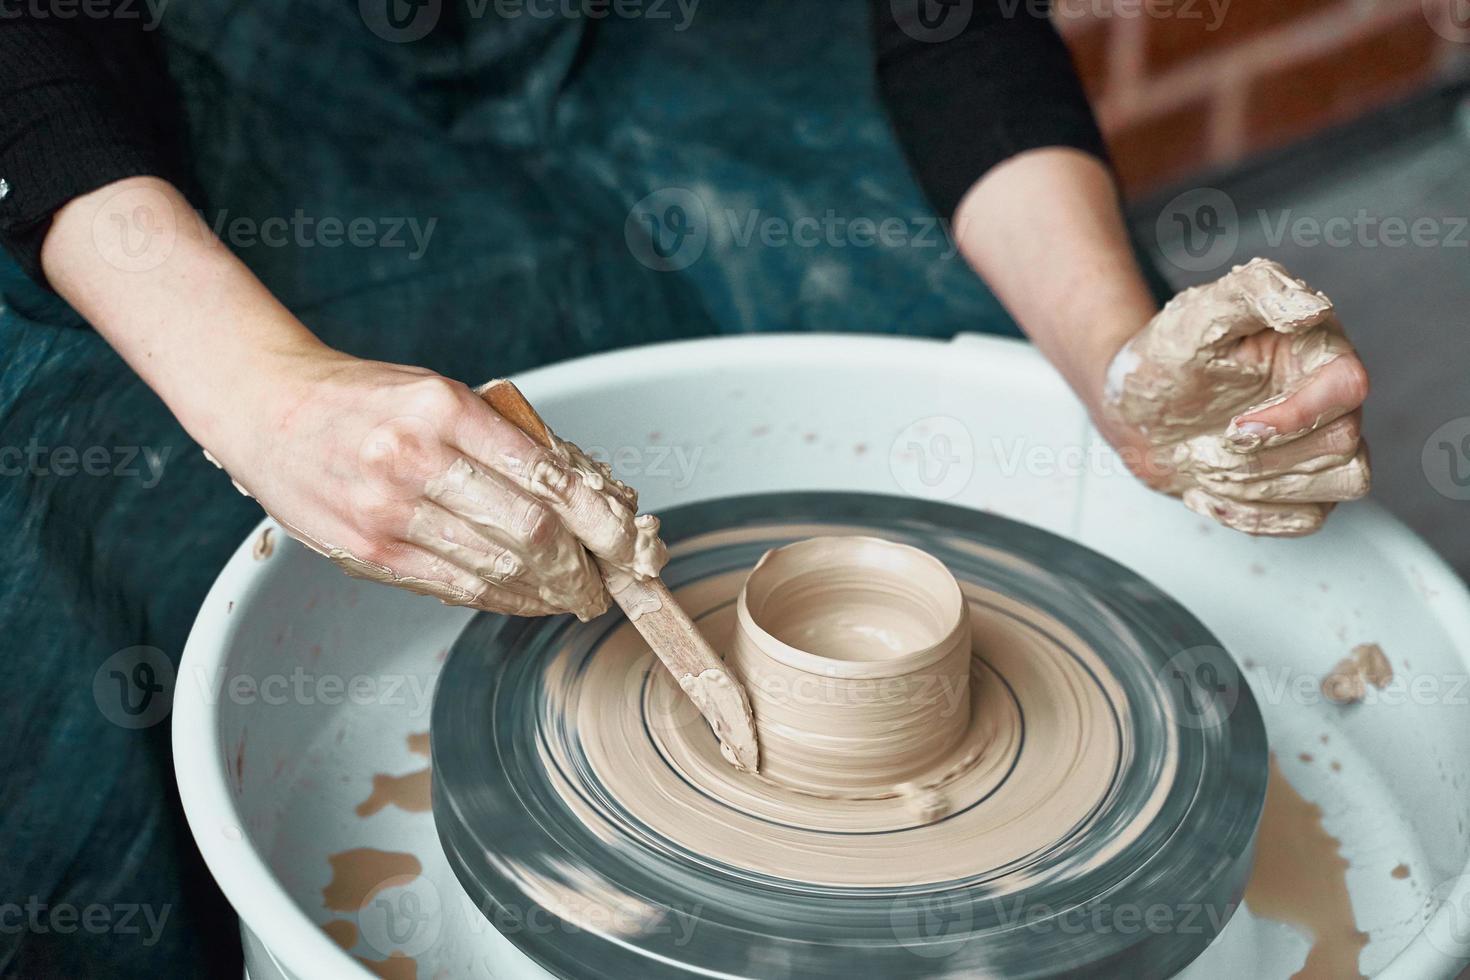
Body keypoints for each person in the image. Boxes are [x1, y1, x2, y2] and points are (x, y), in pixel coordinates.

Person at [0, 1, 1369, 975]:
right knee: (60, 492)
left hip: (690, 40)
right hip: (230, 60)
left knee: (982, 345)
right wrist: (261, 391)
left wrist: (1110, 363)